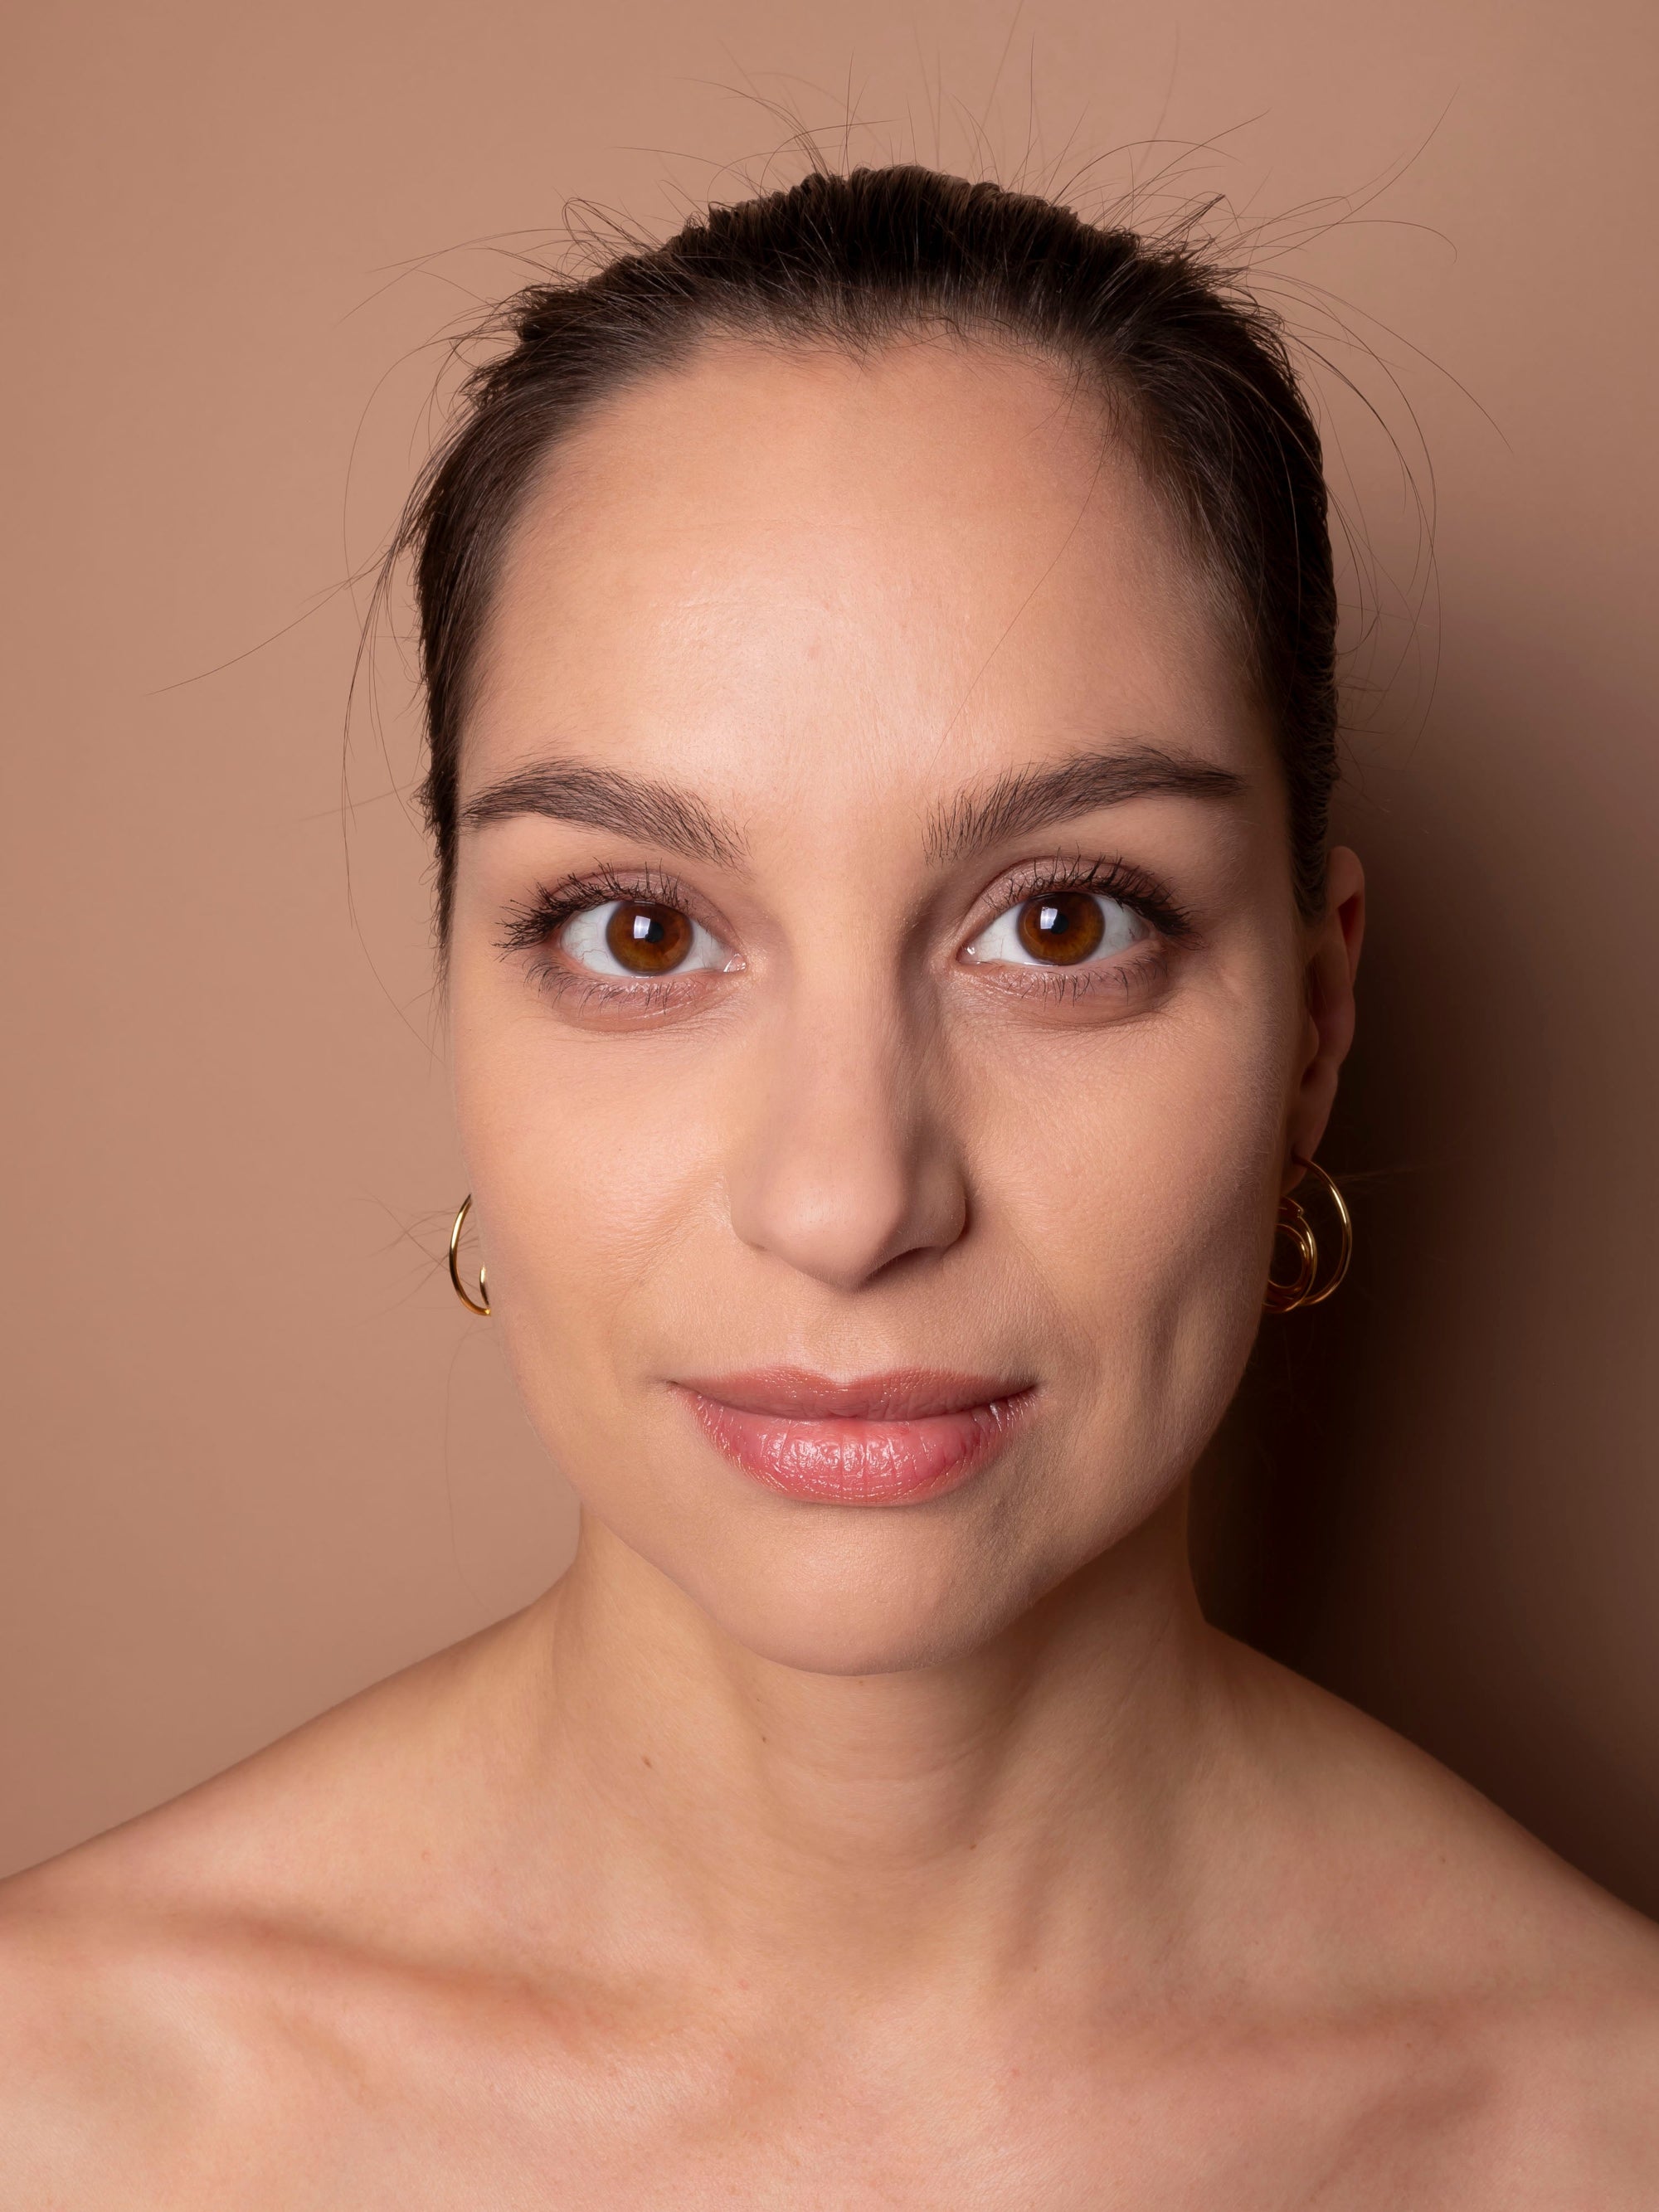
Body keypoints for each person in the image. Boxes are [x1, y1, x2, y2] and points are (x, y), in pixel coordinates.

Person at [2, 163, 1656, 2205]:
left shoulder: (1601, 2122)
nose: (847, 1195)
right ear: (454, 998)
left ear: (1313, 1022)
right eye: (636, 930)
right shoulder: (56, 2102)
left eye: (1062, 923)